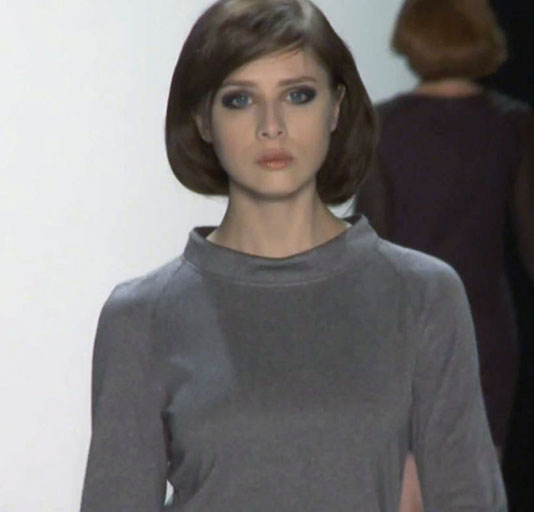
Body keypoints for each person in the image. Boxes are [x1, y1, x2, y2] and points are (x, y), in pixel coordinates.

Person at [79, 1, 506, 511]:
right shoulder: (142, 317)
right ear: (203, 121)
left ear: (336, 108)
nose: (272, 125)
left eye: (298, 95)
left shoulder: (421, 295)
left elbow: (468, 499)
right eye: (240, 99)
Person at [356, 1, 534, 509]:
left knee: (405, 489)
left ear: (412, 38)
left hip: (400, 328)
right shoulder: (511, 122)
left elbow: (370, 240)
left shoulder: (382, 125)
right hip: (481, 325)